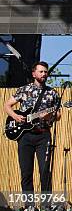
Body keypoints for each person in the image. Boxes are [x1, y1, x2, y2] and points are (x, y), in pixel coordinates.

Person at [3, 61, 61, 195]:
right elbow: (7, 105)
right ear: (34, 73)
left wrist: (49, 116)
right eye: (41, 71)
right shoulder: (24, 90)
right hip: (25, 136)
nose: (44, 74)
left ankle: (46, 205)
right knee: (26, 172)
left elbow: (58, 115)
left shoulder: (52, 93)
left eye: (45, 72)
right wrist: (16, 117)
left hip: (43, 135)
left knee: (45, 171)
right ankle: (29, 206)